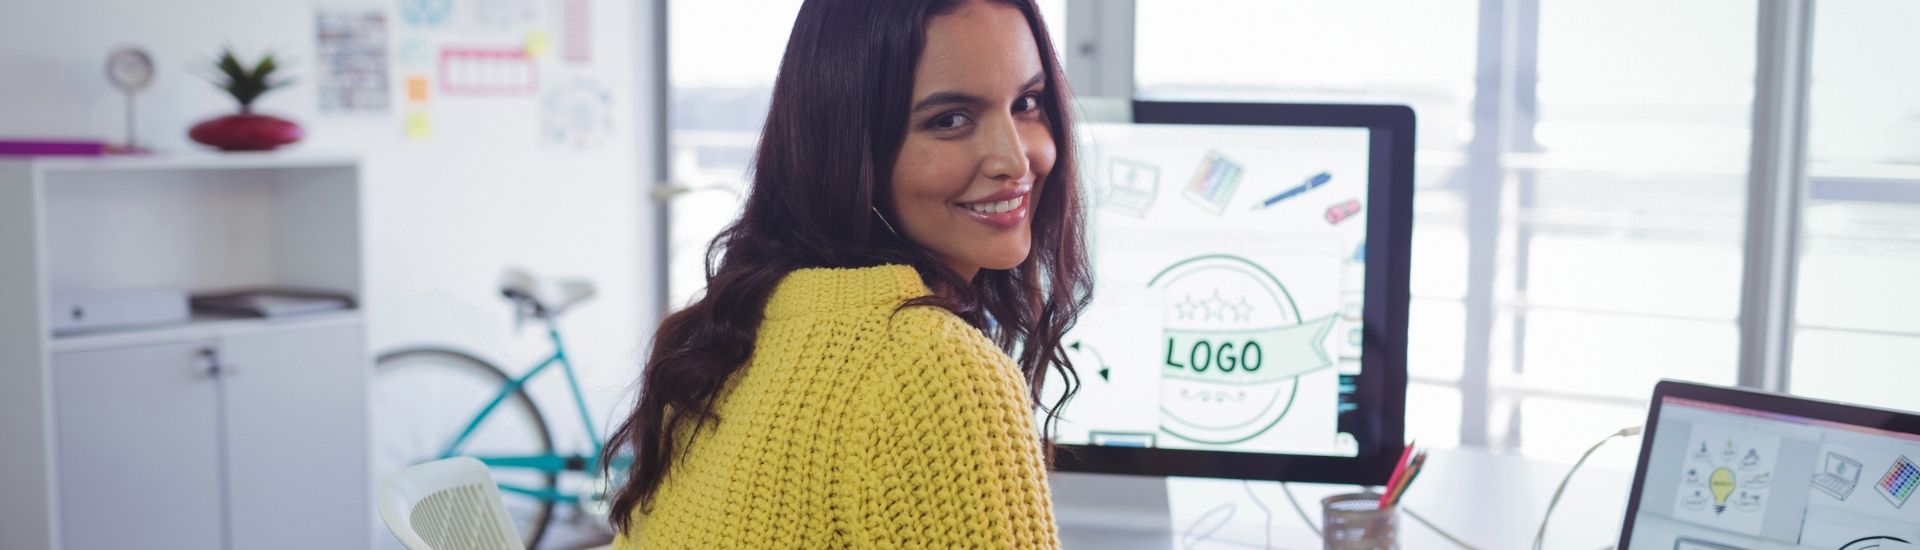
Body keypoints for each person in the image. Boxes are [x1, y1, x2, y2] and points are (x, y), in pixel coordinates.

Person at [601, 0, 1091, 547]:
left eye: (1027, 102)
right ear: (851, 147)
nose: (1015, 160)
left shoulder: (737, 326)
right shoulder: (930, 371)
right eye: (950, 120)